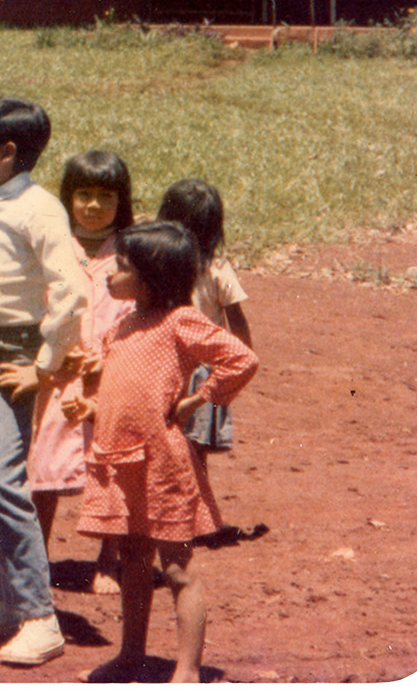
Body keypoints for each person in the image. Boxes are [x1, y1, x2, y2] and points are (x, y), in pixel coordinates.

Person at [65, 221, 260, 683]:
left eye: (124, 266)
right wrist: (88, 406)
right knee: (134, 561)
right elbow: (119, 390)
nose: (111, 273)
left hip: (161, 462)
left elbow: (241, 358)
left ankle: (188, 669)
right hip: (122, 459)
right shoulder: (123, 324)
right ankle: (130, 655)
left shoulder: (180, 321)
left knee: (176, 567)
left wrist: (199, 397)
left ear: (152, 278)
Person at [0, 97, 88, 668]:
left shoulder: (40, 210)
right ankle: (1, 598)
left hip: (14, 355)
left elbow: (73, 290)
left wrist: (44, 363)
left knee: (4, 481)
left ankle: (40, 617)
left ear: (5, 152)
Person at [28, 150, 138, 594]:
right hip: (57, 373)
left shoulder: (132, 251)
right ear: (68, 198)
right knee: (43, 463)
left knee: (110, 464)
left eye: (105, 197)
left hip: (113, 376)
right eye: (83, 195)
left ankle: (109, 558)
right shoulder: (53, 246)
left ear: (122, 200)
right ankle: (35, 556)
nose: (93, 206)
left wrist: (111, 356)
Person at [157, 179, 254, 488]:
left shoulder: (214, 269)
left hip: (197, 371)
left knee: (192, 448)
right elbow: (237, 321)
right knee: (174, 444)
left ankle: (198, 519)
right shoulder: (162, 264)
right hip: (170, 365)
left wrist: (234, 369)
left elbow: (236, 320)